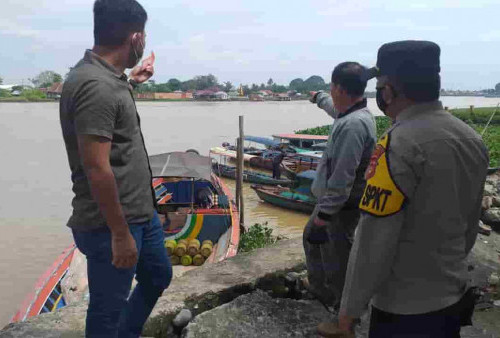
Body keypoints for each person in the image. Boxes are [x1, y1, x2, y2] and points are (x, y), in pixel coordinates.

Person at [330, 41, 489, 338]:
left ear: (388, 91)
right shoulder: (471, 139)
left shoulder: (397, 145)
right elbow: (470, 224)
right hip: (452, 296)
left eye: (378, 85)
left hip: (403, 310)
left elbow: (373, 241)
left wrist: (348, 314)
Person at [59, 0, 172, 337]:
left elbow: (112, 120)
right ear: (136, 38)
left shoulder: (110, 79)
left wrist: (132, 81)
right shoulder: (96, 86)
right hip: (112, 224)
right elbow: (96, 168)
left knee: (157, 276)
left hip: (139, 214)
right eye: (145, 36)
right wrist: (120, 236)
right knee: (106, 312)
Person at [303, 62, 376, 310]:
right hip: (334, 204)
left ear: (340, 88)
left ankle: (342, 306)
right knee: (314, 243)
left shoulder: (353, 126)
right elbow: (333, 109)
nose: (330, 90)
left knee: (336, 255)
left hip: (339, 207)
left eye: (331, 86)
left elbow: (342, 177)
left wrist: (323, 217)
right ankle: (322, 291)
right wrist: (318, 97)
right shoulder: (351, 113)